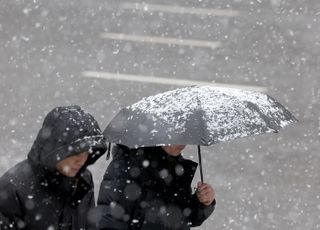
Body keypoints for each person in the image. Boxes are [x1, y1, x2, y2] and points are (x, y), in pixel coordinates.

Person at [0, 105, 108, 230]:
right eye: (77, 153)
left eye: (87, 153)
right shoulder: (12, 188)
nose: (82, 161)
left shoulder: (83, 179)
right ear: (55, 150)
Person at [97, 144, 215, 230]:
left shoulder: (177, 169)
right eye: (177, 136)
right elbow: (110, 221)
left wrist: (202, 201)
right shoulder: (127, 166)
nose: (183, 144)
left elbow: (186, 218)